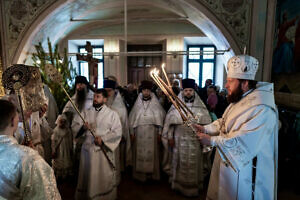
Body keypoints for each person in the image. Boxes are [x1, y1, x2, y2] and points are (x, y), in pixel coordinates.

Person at [194, 55, 278, 200]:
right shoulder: (239, 100)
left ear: (245, 83)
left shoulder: (262, 108)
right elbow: (225, 122)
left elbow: (245, 141)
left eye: (230, 81)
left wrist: (212, 141)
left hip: (247, 174)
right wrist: (206, 128)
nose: (226, 85)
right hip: (229, 168)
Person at [0, 99, 61, 199]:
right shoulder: (29, 159)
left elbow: (47, 133)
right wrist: (25, 154)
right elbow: (47, 195)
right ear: (13, 121)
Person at [162, 78, 212, 197]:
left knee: (194, 162)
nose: (188, 93)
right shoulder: (175, 106)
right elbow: (170, 125)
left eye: (190, 90)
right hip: (179, 140)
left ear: (194, 91)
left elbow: (206, 125)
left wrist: (204, 139)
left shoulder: (201, 107)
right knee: (179, 161)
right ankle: (178, 185)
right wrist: (170, 137)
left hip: (196, 140)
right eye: (186, 90)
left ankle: (195, 186)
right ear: (182, 92)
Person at [75, 89, 122, 200]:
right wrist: (83, 128)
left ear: (105, 99)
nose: (95, 99)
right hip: (87, 150)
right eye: (95, 96)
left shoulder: (112, 114)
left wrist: (103, 140)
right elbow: (75, 128)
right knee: (88, 176)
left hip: (102, 151)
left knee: (101, 176)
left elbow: (117, 132)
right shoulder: (86, 112)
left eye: (98, 97)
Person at [129, 80, 166, 181]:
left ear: (151, 91)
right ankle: (140, 175)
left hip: (152, 133)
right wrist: (132, 133)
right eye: (144, 90)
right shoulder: (137, 105)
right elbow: (132, 120)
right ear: (141, 91)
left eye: (148, 90)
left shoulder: (156, 104)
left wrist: (159, 133)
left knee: (153, 154)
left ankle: (152, 175)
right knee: (139, 153)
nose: (146, 92)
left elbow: (160, 119)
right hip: (139, 132)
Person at [63, 75, 94, 174]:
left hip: (89, 130)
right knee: (78, 155)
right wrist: (65, 117)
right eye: (77, 85)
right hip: (77, 131)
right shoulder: (73, 98)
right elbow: (66, 110)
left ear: (86, 85)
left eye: (81, 84)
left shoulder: (93, 97)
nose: (79, 87)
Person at [104, 79, 131, 184]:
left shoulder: (120, 106)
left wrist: (123, 135)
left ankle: (115, 178)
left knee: (115, 158)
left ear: (114, 91)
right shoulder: (102, 103)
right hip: (103, 137)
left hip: (116, 137)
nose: (108, 93)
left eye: (109, 90)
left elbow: (124, 122)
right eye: (105, 90)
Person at [51, 114, 73, 180]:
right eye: (61, 121)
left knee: (66, 161)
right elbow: (53, 141)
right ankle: (59, 175)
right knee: (59, 161)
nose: (63, 123)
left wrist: (71, 148)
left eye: (64, 121)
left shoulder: (68, 130)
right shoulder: (56, 130)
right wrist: (53, 150)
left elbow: (70, 140)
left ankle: (66, 175)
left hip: (66, 148)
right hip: (59, 149)